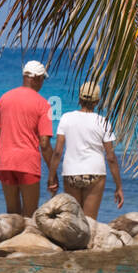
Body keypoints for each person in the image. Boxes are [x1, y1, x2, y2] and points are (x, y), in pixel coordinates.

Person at [0, 61, 56, 216]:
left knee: (12, 215)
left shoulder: (4, 99)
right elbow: (44, 144)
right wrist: (53, 173)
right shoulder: (43, 104)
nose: (42, 83)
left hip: (5, 162)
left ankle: (11, 240)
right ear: (36, 78)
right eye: (42, 79)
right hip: (27, 163)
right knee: (30, 215)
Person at [49, 80, 124, 218]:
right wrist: (118, 186)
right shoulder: (103, 122)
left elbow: (58, 152)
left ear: (79, 98)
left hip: (71, 173)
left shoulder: (66, 118)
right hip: (95, 173)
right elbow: (111, 157)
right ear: (97, 101)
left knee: (73, 220)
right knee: (89, 221)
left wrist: (52, 176)